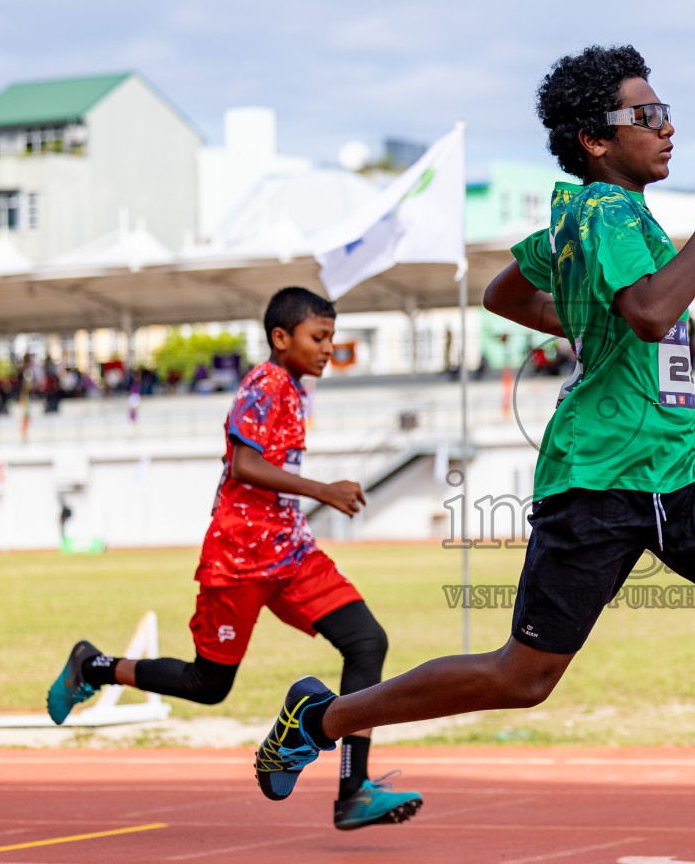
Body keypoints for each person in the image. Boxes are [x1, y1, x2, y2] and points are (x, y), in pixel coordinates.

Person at [252, 46, 695, 853]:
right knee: (522, 678)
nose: (666, 126)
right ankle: (319, 715)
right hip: (600, 478)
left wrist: (585, 319)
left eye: (665, 109)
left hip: (673, 466)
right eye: (645, 115)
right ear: (595, 141)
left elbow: (506, 292)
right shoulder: (607, 216)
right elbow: (649, 314)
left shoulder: (587, 217)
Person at [48, 286, 422, 832]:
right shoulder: (263, 384)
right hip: (240, 557)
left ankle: (352, 790)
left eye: (331, 339)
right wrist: (323, 490)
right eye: (318, 338)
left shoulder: (294, 388)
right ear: (280, 337)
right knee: (209, 685)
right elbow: (244, 465)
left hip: (292, 553)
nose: (327, 350)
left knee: (368, 642)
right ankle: (95, 666)